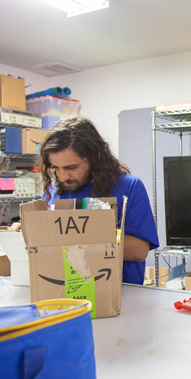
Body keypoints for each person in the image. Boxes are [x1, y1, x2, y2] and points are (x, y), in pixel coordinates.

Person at [38, 116, 159, 285]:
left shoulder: (129, 187)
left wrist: (74, 237)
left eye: (71, 167)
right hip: (66, 290)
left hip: (121, 295)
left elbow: (139, 251)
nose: (63, 176)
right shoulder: (53, 191)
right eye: (55, 168)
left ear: (95, 157)